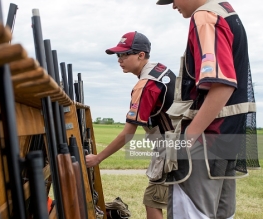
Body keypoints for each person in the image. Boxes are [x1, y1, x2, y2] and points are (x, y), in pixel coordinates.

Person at [156, 0, 257, 218]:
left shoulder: (204, 16)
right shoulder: (229, 14)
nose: (173, 6)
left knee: (191, 212)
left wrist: (188, 137)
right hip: (228, 138)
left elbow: (222, 85)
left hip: (205, 139)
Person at [85, 31, 176, 219]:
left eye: (124, 54)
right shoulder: (161, 70)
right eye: (118, 55)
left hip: (173, 149)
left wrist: (98, 158)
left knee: (152, 202)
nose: (119, 59)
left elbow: (129, 131)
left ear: (141, 55)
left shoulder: (146, 84)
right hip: (189, 143)